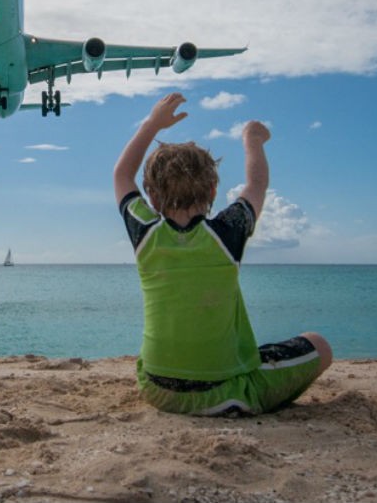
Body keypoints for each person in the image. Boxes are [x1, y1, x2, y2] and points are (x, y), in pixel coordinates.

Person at [113, 92, 332, 415]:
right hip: (226, 392)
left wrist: (152, 124)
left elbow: (121, 176)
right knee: (318, 344)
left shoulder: (146, 236)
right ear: (214, 191)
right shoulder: (225, 234)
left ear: (152, 197)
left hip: (157, 388)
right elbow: (256, 185)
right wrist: (253, 140)